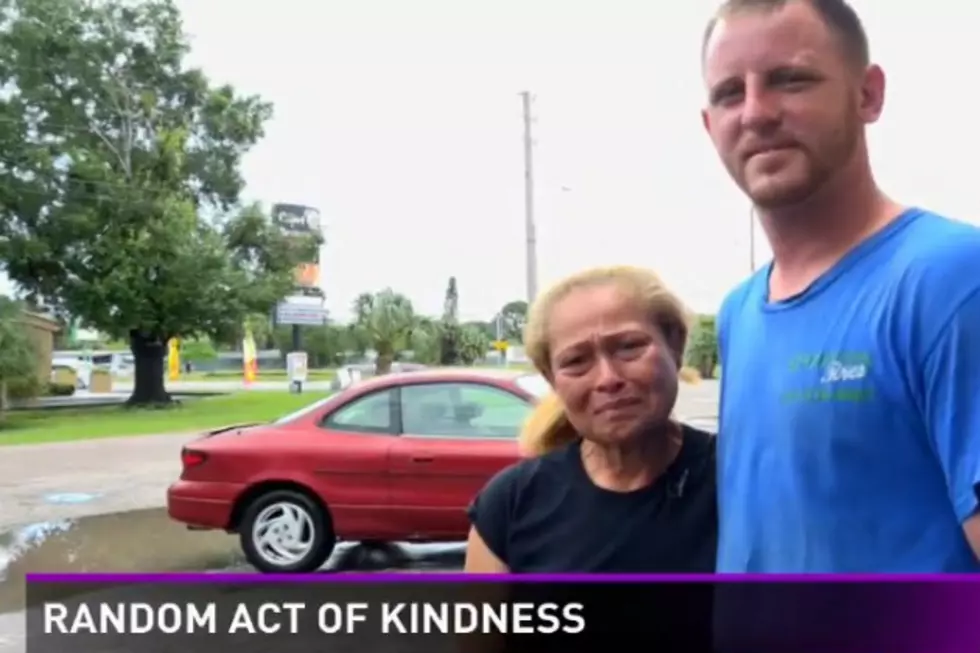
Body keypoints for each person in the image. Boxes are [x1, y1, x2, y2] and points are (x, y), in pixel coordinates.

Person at [701, 0, 980, 571]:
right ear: (710, 125)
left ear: (868, 95)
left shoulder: (952, 279)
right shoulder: (740, 312)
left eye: (791, 80)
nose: (756, 113)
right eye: (730, 92)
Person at [463, 266, 717, 573]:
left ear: (675, 346)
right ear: (551, 378)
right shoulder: (510, 506)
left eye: (629, 347)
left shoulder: (739, 478)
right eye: (576, 361)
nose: (607, 379)